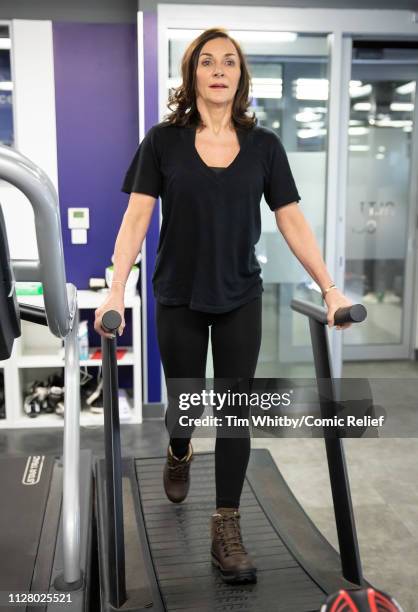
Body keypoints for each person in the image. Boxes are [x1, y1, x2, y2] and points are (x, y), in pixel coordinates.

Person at [94, 27, 353, 585]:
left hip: (240, 296)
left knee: (235, 415)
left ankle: (226, 525)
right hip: (179, 295)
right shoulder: (163, 141)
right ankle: (180, 449)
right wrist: (116, 288)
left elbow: (292, 221)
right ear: (192, 75)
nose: (218, 69)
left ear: (240, 76)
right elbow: (136, 218)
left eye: (228, 62)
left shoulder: (264, 147)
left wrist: (330, 287)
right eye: (206, 61)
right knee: (184, 410)